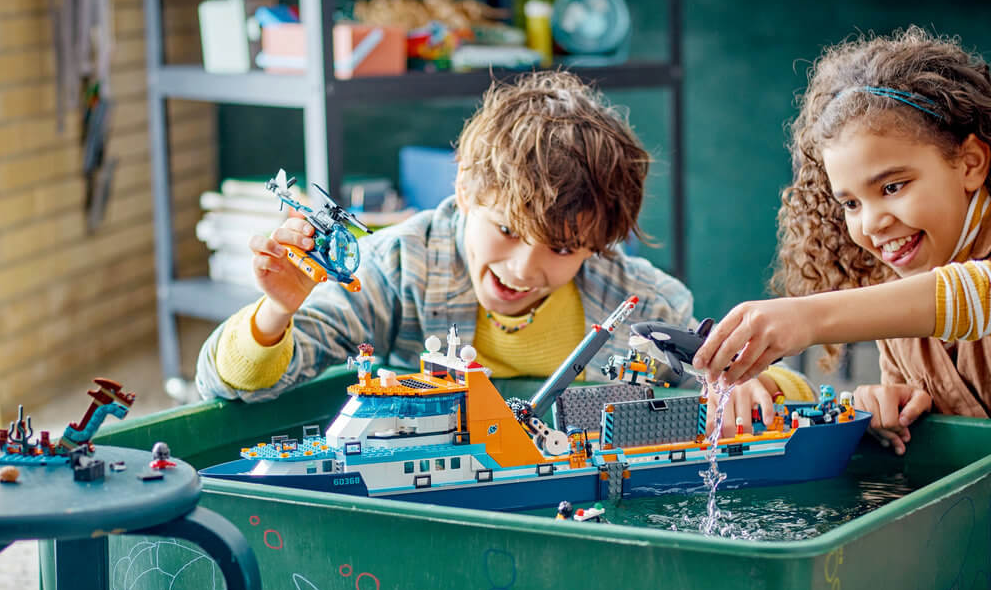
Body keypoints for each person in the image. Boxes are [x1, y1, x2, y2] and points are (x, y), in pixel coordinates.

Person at [196, 71, 807, 429]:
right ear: (463, 186)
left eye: (564, 248)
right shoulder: (399, 267)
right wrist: (275, 312)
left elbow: (739, 371)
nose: (524, 267)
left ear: (600, 244)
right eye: (508, 230)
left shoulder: (639, 297)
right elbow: (225, 387)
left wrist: (763, 385)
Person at [693, 26, 991, 454]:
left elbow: (972, 294)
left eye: (893, 187)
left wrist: (808, 318)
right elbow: (917, 421)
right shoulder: (897, 299)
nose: (871, 224)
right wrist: (885, 407)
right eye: (850, 204)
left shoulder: (934, 291)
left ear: (971, 162)